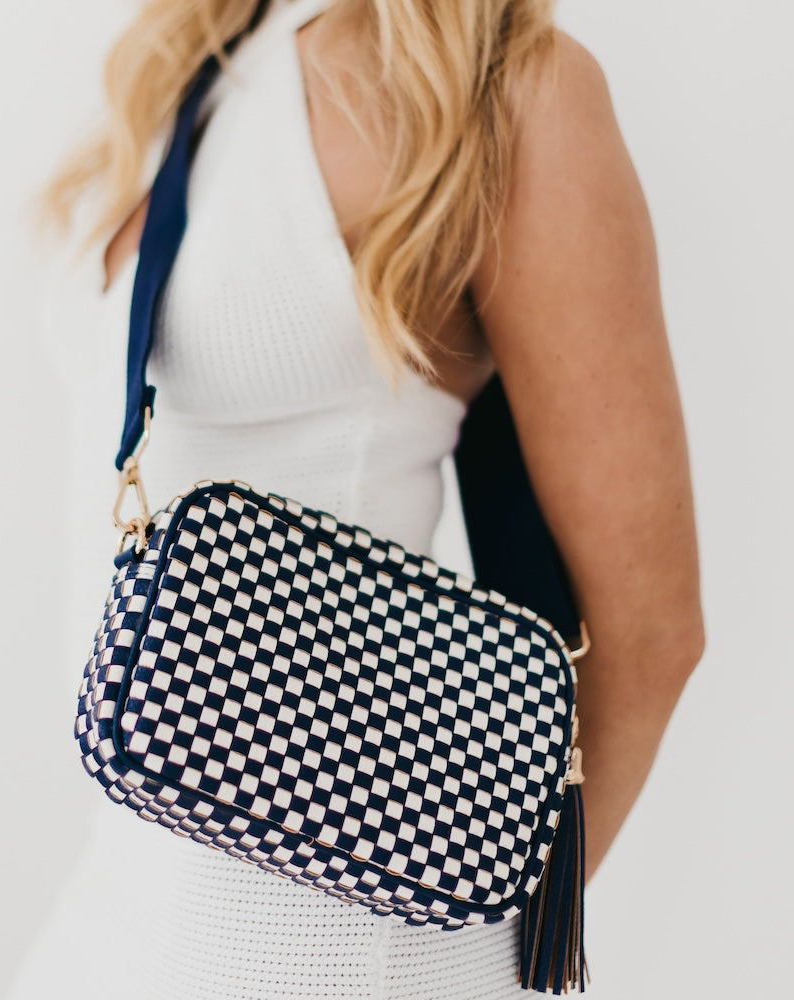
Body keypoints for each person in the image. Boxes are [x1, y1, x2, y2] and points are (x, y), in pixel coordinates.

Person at [37, 0, 704, 996]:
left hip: (337, 953)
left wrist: (474, 938)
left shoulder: (510, 90)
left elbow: (648, 635)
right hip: (118, 906)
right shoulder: (207, 52)